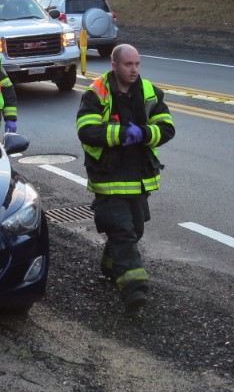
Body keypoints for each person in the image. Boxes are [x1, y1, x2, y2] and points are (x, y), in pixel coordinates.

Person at [75, 44, 175, 316]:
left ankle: (110, 265)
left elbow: (167, 128)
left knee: (135, 229)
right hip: (108, 177)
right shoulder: (97, 92)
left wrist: (143, 133)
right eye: (129, 64)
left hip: (139, 177)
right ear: (114, 65)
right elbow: (87, 130)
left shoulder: (150, 91)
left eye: (137, 64)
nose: (134, 70)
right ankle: (134, 289)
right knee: (121, 230)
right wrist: (120, 134)